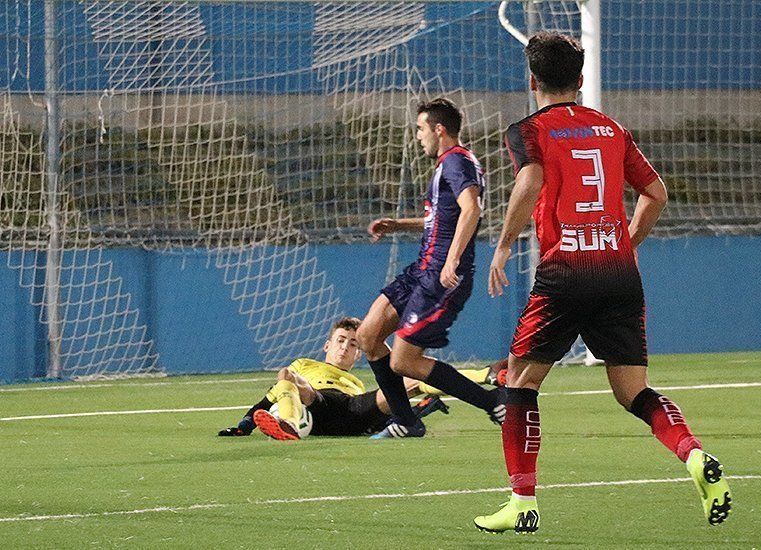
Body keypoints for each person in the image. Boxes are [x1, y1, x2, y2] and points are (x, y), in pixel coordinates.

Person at [474, 33, 731, 533]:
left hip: (564, 274)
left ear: (532, 81)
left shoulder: (529, 130)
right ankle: (693, 453)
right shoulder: (612, 128)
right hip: (618, 274)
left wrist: (503, 245)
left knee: (520, 383)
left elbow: (528, 182)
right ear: (582, 79)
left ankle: (522, 501)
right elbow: (655, 193)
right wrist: (625, 243)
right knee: (634, 391)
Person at [357, 98, 504, 439]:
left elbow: (472, 209)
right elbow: (440, 219)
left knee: (404, 362)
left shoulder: (457, 162)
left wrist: (452, 260)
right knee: (367, 335)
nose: (418, 136)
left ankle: (492, 401)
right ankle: (408, 421)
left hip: (439, 275)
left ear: (439, 130)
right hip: (421, 269)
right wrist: (399, 225)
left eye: (421, 129)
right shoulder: (447, 165)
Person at [218, 317, 504, 440]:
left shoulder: (355, 381)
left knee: (408, 380)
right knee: (286, 376)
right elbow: (269, 397)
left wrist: (416, 409)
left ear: (359, 355)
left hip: (352, 410)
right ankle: (290, 425)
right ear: (327, 345)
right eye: (341, 341)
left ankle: (488, 375)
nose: (345, 347)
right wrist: (244, 424)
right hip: (315, 404)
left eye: (353, 344)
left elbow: (377, 408)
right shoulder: (304, 364)